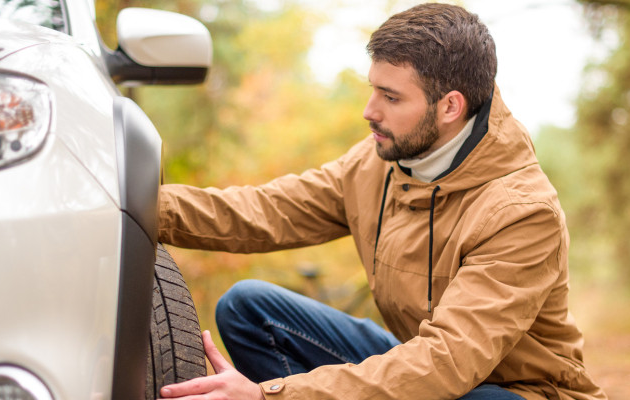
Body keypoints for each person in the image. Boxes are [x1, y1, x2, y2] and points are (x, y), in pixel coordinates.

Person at [156, 3, 607, 400]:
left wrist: (270, 396)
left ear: (450, 107)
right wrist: (136, 207)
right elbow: (264, 211)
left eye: (390, 97)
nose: (370, 111)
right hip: (423, 369)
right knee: (247, 306)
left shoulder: (521, 213)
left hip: (517, 391)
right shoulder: (379, 163)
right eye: (373, 88)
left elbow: (446, 363)